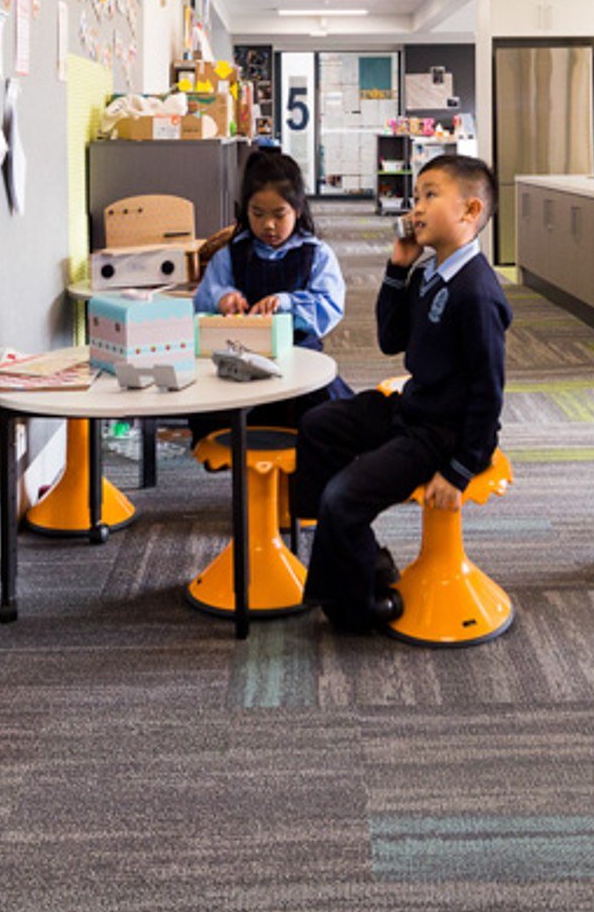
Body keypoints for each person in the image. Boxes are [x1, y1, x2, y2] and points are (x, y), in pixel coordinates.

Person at [289, 154, 509, 635]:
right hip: (413, 406)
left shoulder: (477, 294)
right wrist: (398, 269)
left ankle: (353, 608)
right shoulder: (432, 273)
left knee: (342, 497)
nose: (416, 207)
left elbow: (488, 393)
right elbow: (392, 339)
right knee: (318, 425)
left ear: (470, 212)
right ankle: (352, 550)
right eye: (417, 195)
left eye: (431, 195)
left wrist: (460, 467)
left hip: (442, 433)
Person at [195, 147, 349, 427]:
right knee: (220, 418)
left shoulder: (315, 253)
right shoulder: (231, 254)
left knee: (324, 422)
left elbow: (329, 307)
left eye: (279, 215)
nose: (269, 225)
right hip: (239, 362)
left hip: (299, 361)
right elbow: (202, 300)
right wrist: (222, 298)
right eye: (257, 214)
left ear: (298, 210)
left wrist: (287, 302)